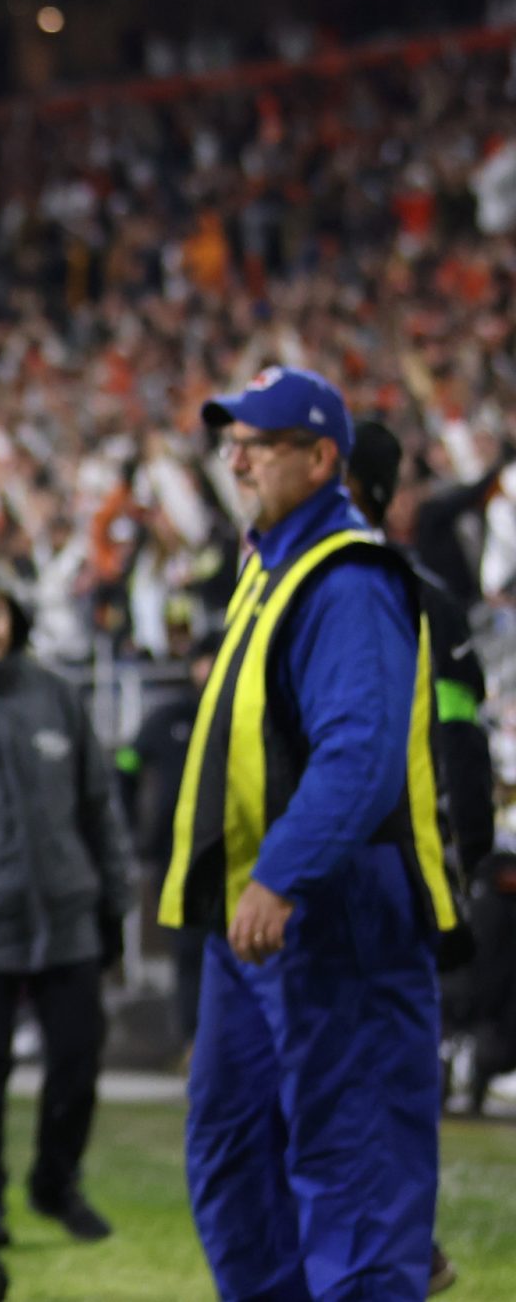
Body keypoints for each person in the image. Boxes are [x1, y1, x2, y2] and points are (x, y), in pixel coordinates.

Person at [161, 368, 454, 1300]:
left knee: (354, 1167)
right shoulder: (269, 568)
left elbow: (360, 754)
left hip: (329, 915)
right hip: (253, 928)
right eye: (231, 440)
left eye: (261, 442)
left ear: (322, 457)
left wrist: (281, 874)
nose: (236, 458)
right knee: (234, 1161)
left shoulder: (348, 577)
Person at [0, 559, 130, 1247]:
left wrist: (114, 900)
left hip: (68, 918)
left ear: (14, 618)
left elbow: (98, 805)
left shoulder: (57, 695)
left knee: (79, 1060)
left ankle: (58, 1184)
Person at [344, 419, 487, 1299]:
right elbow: (463, 732)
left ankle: (383, 1243)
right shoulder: (429, 592)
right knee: (391, 1059)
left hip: (369, 864)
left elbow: (457, 736)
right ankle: (401, 1239)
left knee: (358, 1058)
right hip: (409, 863)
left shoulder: (326, 587)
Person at [117, 631, 219, 1059]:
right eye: (203, 660)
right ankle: (194, 1043)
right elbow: (126, 764)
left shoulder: (242, 712)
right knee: (188, 951)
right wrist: (136, 828)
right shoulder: (170, 717)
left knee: (227, 951)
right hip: (175, 856)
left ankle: (223, 1046)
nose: (208, 669)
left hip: (229, 856)